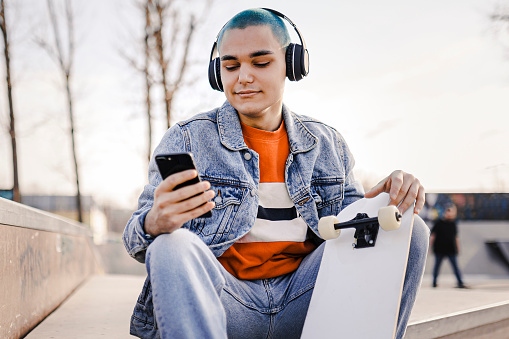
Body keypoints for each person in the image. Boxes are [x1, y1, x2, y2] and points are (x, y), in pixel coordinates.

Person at [123, 8, 429, 339]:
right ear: (218, 73)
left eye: (260, 62)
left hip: (308, 300)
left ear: (292, 65)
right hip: (228, 305)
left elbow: (351, 234)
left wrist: (381, 202)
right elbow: (134, 241)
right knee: (170, 246)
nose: (243, 77)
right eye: (231, 66)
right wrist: (154, 222)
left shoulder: (327, 144)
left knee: (409, 231)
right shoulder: (188, 139)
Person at [430, 203, 467, 288]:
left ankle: (460, 282)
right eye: (449, 211)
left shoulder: (453, 224)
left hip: (451, 249)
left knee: (455, 267)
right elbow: (433, 235)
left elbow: (456, 237)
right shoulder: (439, 223)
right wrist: (430, 246)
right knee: (437, 267)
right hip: (439, 249)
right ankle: (434, 283)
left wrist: (458, 248)